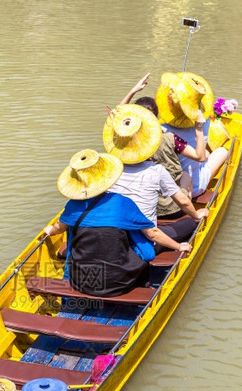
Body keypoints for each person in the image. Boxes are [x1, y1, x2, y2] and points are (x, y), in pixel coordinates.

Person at [43, 149, 155, 296]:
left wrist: (49, 230)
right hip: (120, 284)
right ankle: (146, 287)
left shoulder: (72, 206)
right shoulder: (121, 202)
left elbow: (58, 228)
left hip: (81, 283)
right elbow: (151, 233)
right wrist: (178, 246)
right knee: (140, 251)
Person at [101, 103, 207, 254]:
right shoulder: (156, 169)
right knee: (189, 222)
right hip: (143, 237)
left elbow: (114, 120)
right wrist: (195, 216)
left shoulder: (110, 167)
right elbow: (153, 232)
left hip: (117, 230)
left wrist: (132, 91)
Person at [156, 72, 229, 201]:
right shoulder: (204, 122)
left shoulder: (162, 129)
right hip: (194, 187)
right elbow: (200, 157)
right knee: (222, 151)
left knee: (204, 154)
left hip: (170, 188)